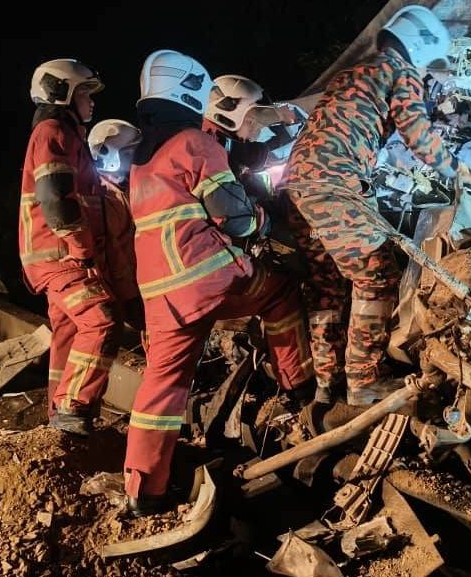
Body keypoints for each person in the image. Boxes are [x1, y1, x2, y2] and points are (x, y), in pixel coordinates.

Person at [124, 49, 314, 516]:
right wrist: (269, 227)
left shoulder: (142, 160)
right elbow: (235, 218)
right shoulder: (195, 142)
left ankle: (144, 491)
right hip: (208, 277)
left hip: (160, 292)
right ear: (190, 92)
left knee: (162, 386)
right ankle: (300, 391)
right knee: (283, 291)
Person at [281, 5, 471, 406]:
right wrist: (457, 170)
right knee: (376, 276)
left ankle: (326, 385)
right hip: (333, 185)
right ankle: (362, 383)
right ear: (421, 46)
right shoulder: (400, 72)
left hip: (298, 186)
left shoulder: (355, 73)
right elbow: (417, 133)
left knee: (328, 287)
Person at [19, 58, 119, 435]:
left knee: (69, 331)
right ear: (62, 93)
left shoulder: (63, 133)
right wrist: (82, 250)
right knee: (102, 319)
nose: (91, 102)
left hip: (53, 257)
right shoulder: (52, 132)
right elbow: (57, 198)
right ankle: (74, 410)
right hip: (62, 257)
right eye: (84, 93)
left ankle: (56, 415)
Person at [203, 75, 306, 202]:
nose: (255, 130)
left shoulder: (227, 149)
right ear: (228, 118)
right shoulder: (212, 153)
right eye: (251, 121)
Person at [87, 119, 145, 330]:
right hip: (126, 292)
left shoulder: (126, 188)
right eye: (131, 153)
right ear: (111, 158)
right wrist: (130, 298)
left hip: (142, 285)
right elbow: (114, 253)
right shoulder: (103, 198)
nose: (138, 156)